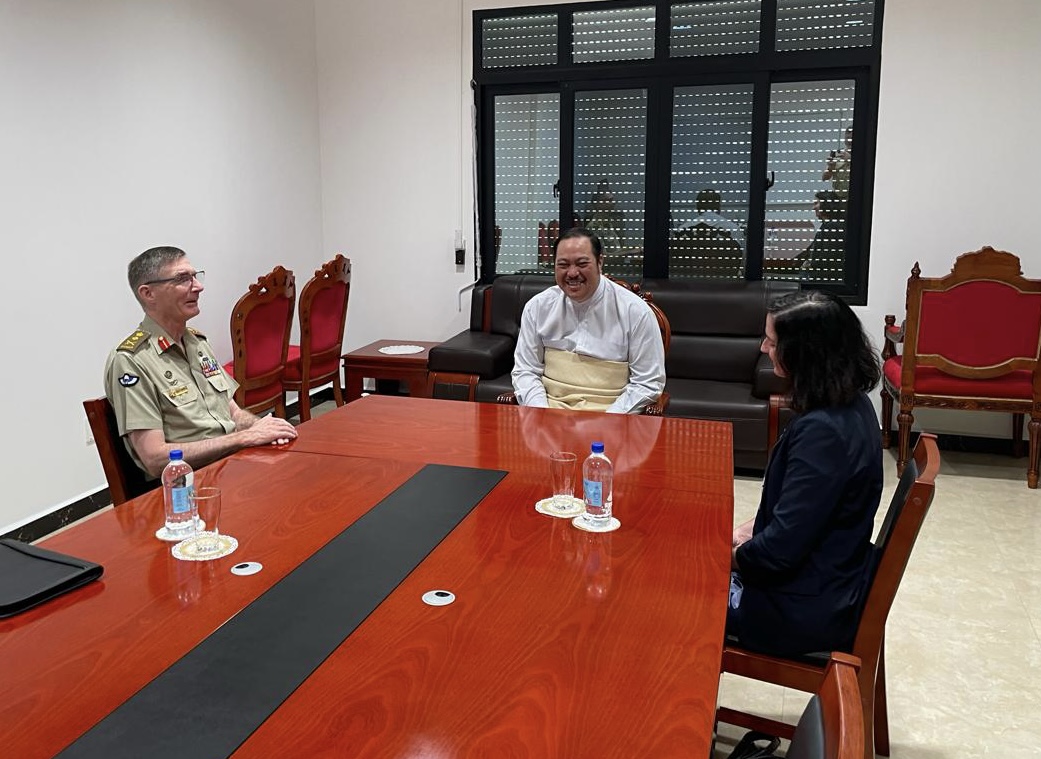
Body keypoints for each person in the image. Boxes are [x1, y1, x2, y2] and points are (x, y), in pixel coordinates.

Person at [729, 290, 883, 657]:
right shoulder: (850, 404)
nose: (764, 347)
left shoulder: (824, 433)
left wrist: (719, 557)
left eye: (772, 340)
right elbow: (801, 512)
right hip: (825, 579)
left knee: (665, 593)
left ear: (806, 353)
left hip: (796, 608)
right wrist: (745, 532)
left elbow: (779, 552)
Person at [104, 246, 298, 479]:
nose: (198, 286)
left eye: (195, 276)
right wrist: (244, 438)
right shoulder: (131, 361)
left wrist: (261, 428)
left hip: (231, 464)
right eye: (182, 279)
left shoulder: (197, 343)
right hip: (189, 485)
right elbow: (154, 459)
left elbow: (234, 414)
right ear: (148, 294)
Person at [511, 227, 666, 414]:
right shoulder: (537, 308)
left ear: (600, 262)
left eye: (582, 263)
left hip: (612, 417)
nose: (572, 273)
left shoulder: (635, 312)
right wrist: (542, 415)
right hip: (549, 415)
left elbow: (648, 383)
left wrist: (608, 421)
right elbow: (526, 371)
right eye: (563, 265)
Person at [679, 189, 745, 253]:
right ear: (718, 205)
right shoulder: (733, 229)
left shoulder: (682, 230)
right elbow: (738, 258)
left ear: (698, 207)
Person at [798, 190, 847, 272]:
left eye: (816, 203)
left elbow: (827, 258)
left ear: (826, 204)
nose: (813, 208)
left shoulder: (833, 227)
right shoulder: (829, 225)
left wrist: (809, 265)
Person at [822, 126, 853, 197]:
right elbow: (825, 178)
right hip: (839, 198)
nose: (849, 141)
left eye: (851, 138)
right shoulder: (838, 155)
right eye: (847, 138)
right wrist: (830, 168)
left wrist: (849, 160)